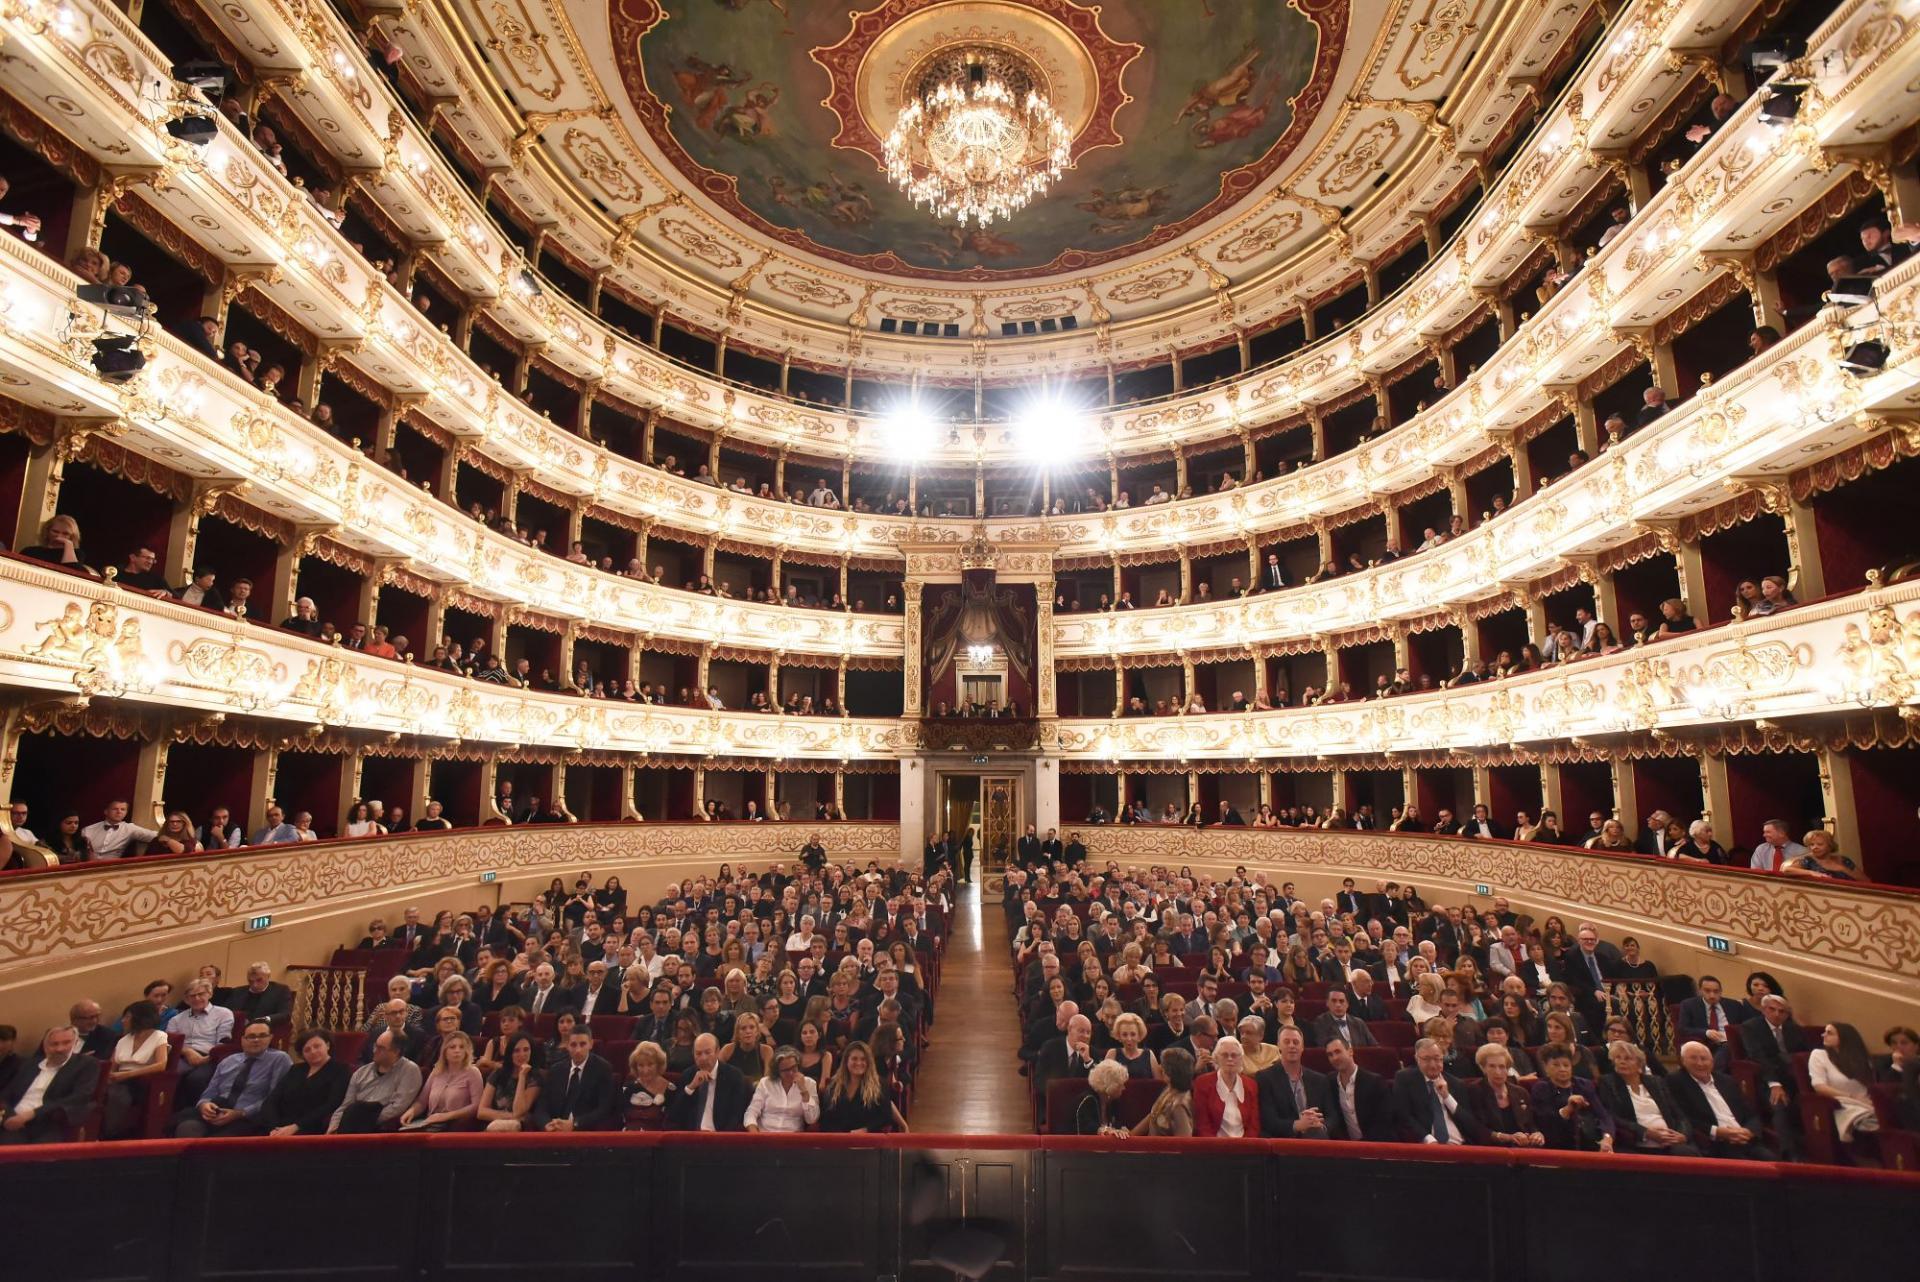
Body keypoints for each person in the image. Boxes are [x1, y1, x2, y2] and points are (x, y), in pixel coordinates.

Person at [169, 1020, 291, 1138]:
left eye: (262, 1036)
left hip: (250, 1117)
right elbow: (210, 1092)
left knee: (219, 1143)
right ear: (243, 1039)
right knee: (187, 1127)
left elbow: (274, 1098)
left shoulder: (279, 1059)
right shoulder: (229, 1061)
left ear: (270, 1038)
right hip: (218, 1110)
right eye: (251, 1036)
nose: (256, 1040)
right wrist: (204, 1104)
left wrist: (240, 1113)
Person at [1667, 1041, 1777, 1159]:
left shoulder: (1727, 1081)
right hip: (1715, 1143)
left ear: (1712, 1062)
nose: (1700, 1063)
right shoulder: (1675, 1082)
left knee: (1771, 1160)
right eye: (1693, 1058)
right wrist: (1718, 1132)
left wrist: (1748, 1131)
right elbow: (1684, 1118)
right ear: (1683, 1061)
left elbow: (1751, 1114)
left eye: (1704, 1059)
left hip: (1745, 1139)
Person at [0, 1025, 101, 1144]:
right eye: (54, 1044)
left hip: (48, 1121)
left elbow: (80, 1096)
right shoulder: (30, 1064)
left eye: (66, 1043)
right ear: (45, 1046)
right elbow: (6, 1094)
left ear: (75, 1043)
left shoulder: (85, 1064)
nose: (60, 1049)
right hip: (13, 1121)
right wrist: (8, 1117)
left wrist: (33, 1114)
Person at [1598, 1039, 1698, 1155]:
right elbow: (1612, 1116)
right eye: (1618, 1058)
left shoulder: (1656, 1082)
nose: (1621, 1062)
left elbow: (1679, 1115)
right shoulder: (1608, 1083)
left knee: (1688, 1153)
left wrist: (1682, 1136)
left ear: (1640, 1065)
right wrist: (1646, 1132)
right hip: (1636, 1141)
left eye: (1627, 1058)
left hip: (1670, 1142)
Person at [1739, 993, 1809, 1159]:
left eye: (1782, 1011)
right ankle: (1789, 1154)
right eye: (1772, 1009)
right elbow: (1757, 1056)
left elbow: (1804, 1054)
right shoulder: (1751, 1027)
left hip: (1794, 1078)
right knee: (1780, 1104)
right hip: (1766, 1077)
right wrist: (1774, 1083)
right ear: (1764, 1010)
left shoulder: (1793, 1029)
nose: (1777, 1014)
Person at [1393, 1036, 1488, 1145]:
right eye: (1426, 1059)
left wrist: (1447, 1097)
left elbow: (1470, 1124)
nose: (1433, 1065)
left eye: (1437, 1058)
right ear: (1417, 1059)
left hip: (1459, 1144)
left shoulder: (1456, 1084)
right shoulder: (1405, 1079)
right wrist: (1428, 1139)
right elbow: (1403, 1116)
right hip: (1427, 1144)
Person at [330, 1028, 424, 1133]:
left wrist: (363, 1120)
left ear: (396, 1051)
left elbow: (397, 1107)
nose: (374, 1050)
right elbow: (345, 1105)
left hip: (377, 1127)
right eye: (375, 1045)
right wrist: (333, 1128)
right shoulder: (361, 1072)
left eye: (381, 1048)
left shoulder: (409, 1070)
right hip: (351, 1120)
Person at [261, 1029, 351, 1136]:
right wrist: (274, 1127)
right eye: (307, 1050)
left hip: (312, 1127)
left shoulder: (341, 1070)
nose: (313, 1051)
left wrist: (296, 1126)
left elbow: (332, 1104)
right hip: (278, 1128)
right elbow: (272, 1100)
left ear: (327, 1045)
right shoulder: (295, 1069)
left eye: (317, 1046)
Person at [102, 1000, 170, 1138]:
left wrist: (127, 1075)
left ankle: (110, 1135)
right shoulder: (123, 1040)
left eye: (127, 1017)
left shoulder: (159, 1036)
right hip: (118, 1078)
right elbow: (112, 1066)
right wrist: (109, 1077)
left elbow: (161, 1064)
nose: (123, 1021)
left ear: (140, 1018)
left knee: (117, 1094)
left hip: (141, 1080)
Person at [1808, 1022, 1881, 1148]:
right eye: (1825, 1031)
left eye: (1829, 1033)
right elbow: (1819, 1087)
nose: (1823, 1035)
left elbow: (1872, 1086)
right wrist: (1852, 1096)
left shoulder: (1862, 1059)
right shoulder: (1819, 1055)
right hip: (1842, 1102)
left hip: (1867, 1101)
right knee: (1867, 1120)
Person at [534, 1027, 618, 1132]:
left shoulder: (603, 1069)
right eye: (573, 1045)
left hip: (585, 1131)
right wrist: (546, 1124)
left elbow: (604, 1108)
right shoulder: (556, 1070)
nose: (578, 1050)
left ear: (591, 1044)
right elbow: (542, 1105)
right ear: (567, 1046)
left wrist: (575, 1124)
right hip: (555, 1130)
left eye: (582, 1044)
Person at [1256, 1027, 1332, 1138]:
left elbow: (1333, 1117)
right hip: (1284, 1143)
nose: (1292, 1046)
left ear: (1302, 1047)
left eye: (1296, 1042)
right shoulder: (1265, 1078)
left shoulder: (1320, 1080)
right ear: (1279, 1046)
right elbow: (1268, 1121)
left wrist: (1320, 1125)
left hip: (1317, 1139)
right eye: (1286, 1042)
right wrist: (1297, 1125)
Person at [667, 1032, 750, 1132]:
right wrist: (691, 1087)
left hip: (721, 1138)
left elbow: (736, 1114)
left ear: (717, 1051)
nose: (703, 1058)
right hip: (692, 1138)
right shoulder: (687, 1075)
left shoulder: (733, 1076)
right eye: (698, 1053)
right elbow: (674, 1115)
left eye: (707, 1052)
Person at [400, 1031, 483, 1131]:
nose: (457, 1051)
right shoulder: (437, 1071)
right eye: (452, 1047)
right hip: (431, 1123)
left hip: (455, 1124)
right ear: (444, 1051)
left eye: (462, 1047)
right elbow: (422, 1102)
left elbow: (476, 1106)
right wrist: (411, 1111)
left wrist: (446, 1116)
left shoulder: (473, 1072)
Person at [1466, 1042, 1544, 1147]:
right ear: (1483, 1068)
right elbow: (1476, 1128)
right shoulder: (1474, 1091)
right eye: (1492, 1066)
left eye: (1502, 1067)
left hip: (1522, 1150)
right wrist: (1507, 1137)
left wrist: (1537, 1134)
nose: (1498, 1072)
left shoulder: (1521, 1092)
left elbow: (1531, 1125)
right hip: (1491, 1151)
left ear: (1508, 1069)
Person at [819, 1040, 904, 1133]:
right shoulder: (833, 1085)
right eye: (854, 1059)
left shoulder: (880, 1085)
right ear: (846, 1061)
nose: (859, 1063)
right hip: (839, 1141)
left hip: (868, 1140)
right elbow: (826, 1118)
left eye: (863, 1059)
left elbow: (886, 1117)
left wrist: (866, 1130)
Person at [1193, 1035, 1259, 1137]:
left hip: (1245, 1147)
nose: (1230, 1059)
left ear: (1241, 1059)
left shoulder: (1251, 1085)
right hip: (1213, 1148)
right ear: (1216, 1058)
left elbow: (1254, 1125)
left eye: (1234, 1055)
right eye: (1224, 1055)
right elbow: (1202, 1125)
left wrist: (1246, 1147)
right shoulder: (1202, 1083)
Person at [1134, 1046, 1196, 1137]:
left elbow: (1184, 1144)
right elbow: (1152, 1116)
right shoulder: (1169, 1090)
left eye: (1162, 1065)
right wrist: (1129, 1136)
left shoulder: (1179, 1106)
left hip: (1162, 1150)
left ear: (1169, 1074)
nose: (1159, 1067)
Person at [1073, 1059, 1131, 1136]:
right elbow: (1086, 1126)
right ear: (1111, 1085)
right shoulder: (1087, 1100)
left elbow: (1117, 1125)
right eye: (1121, 1084)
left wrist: (1120, 1129)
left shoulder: (1112, 1101)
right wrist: (1104, 1131)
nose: (1124, 1088)